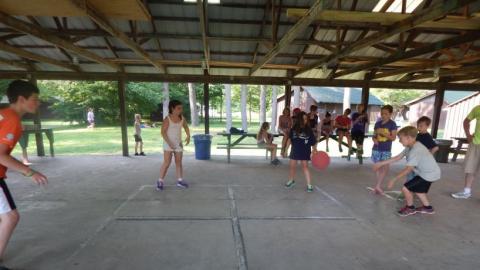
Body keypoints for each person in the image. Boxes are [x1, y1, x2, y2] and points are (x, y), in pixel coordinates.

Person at [0, 80, 48, 269]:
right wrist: (30, 172)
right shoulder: (12, 120)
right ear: (21, 99)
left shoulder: (3, 115)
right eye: (35, 99)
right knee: (10, 217)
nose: (38, 103)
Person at [373, 126, 441, 216]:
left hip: (428, 174)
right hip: (428, 173)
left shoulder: (416, 150)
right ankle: (427, 208)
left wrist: (394, 179)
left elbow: (408, 169)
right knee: (418, 190)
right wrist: (380, 163)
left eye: (401, 139)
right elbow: (398, 157)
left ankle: (410, 208)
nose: (399, 141)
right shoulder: (410, 146)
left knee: (406, 188)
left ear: (409, 138)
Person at [157, 100, 190, 191]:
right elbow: (163, 132)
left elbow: (186, 127)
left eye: (181, 108)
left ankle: (180, 181)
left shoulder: (182, 118)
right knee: (167, 162)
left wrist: (188, 136)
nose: (181, 110)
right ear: (172, 108)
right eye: (179, 108)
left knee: (178, 162)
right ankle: (160, 181)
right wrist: (169, 143)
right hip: (168, 144)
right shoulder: (167, 119)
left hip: (178, 144)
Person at [451, 105, 480, 199]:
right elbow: (466, 121)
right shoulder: (477, 108)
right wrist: (468, 135)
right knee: (470, 168)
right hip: (476, 143)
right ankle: (466, 192)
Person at [285, 111, 317, 192]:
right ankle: (291, 180)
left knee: (305, 167)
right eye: (303, 119)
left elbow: (313, 141)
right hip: (294, 151)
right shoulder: (293, 129)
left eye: (306, 119)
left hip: (305, 151)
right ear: (299, 120)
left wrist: (314, 149)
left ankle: (309, 185)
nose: (305, 121)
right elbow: (289, 140)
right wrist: (286, 150)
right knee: (292, 166)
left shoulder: (309, 130)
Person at [371, 105, 397, 194]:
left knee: (385, 168)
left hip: (386, 149)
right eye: (382, 113)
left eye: (386, 114)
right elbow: (374, 136)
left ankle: (378, 185)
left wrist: (383, 133)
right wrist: (374, 140)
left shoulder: (392, 124)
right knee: (378, 168)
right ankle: (378, 185)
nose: (383, 115)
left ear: (390, 114)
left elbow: (393, 138)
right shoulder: (377, 124)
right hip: (376, 149)